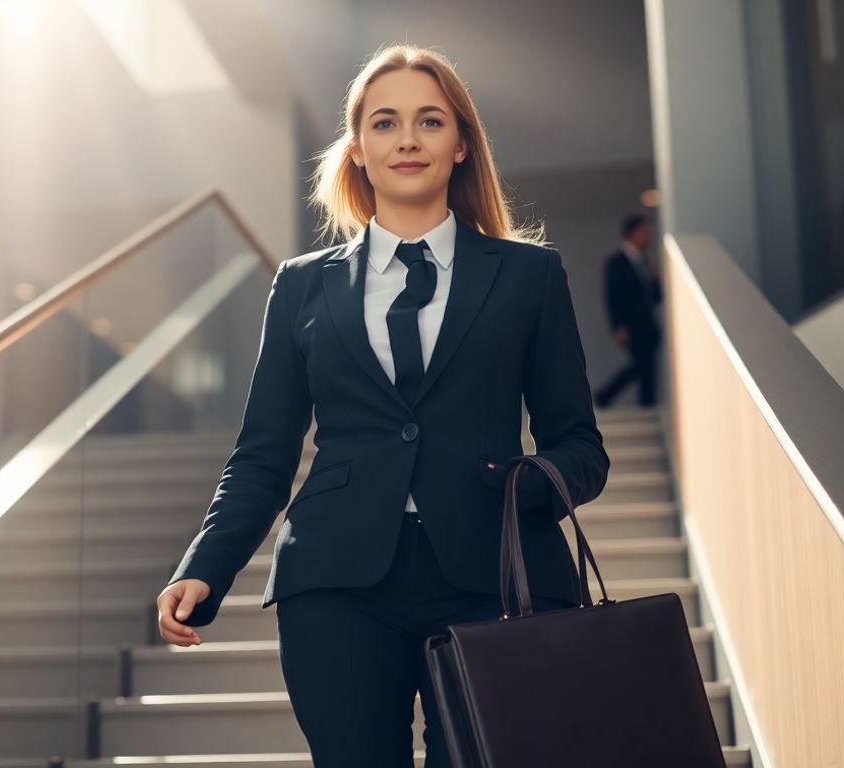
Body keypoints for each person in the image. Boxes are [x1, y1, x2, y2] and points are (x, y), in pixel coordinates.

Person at [155, 44, 609, 768]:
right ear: (358, 148)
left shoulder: (531, 276)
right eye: (384, 122)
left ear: (461, 144)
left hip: (493, 580)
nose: (406, 139)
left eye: (429, 121)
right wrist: (203, 566)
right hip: (335, 586)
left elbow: (581, 447)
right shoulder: (301, 286)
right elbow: (263, 455)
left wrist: (521, 488)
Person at [593, 214, 662, 408]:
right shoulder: (616, 262)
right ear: (632, 234)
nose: (648, 237)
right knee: (643, 364)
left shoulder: (646, 263)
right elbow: (612, 297)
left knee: (646, 365)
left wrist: (656, 281)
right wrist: (618, 326)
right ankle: (606, 395)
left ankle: (645, 403)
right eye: (644, 233)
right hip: (631, 325)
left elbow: (656, 298)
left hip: (648, 324)